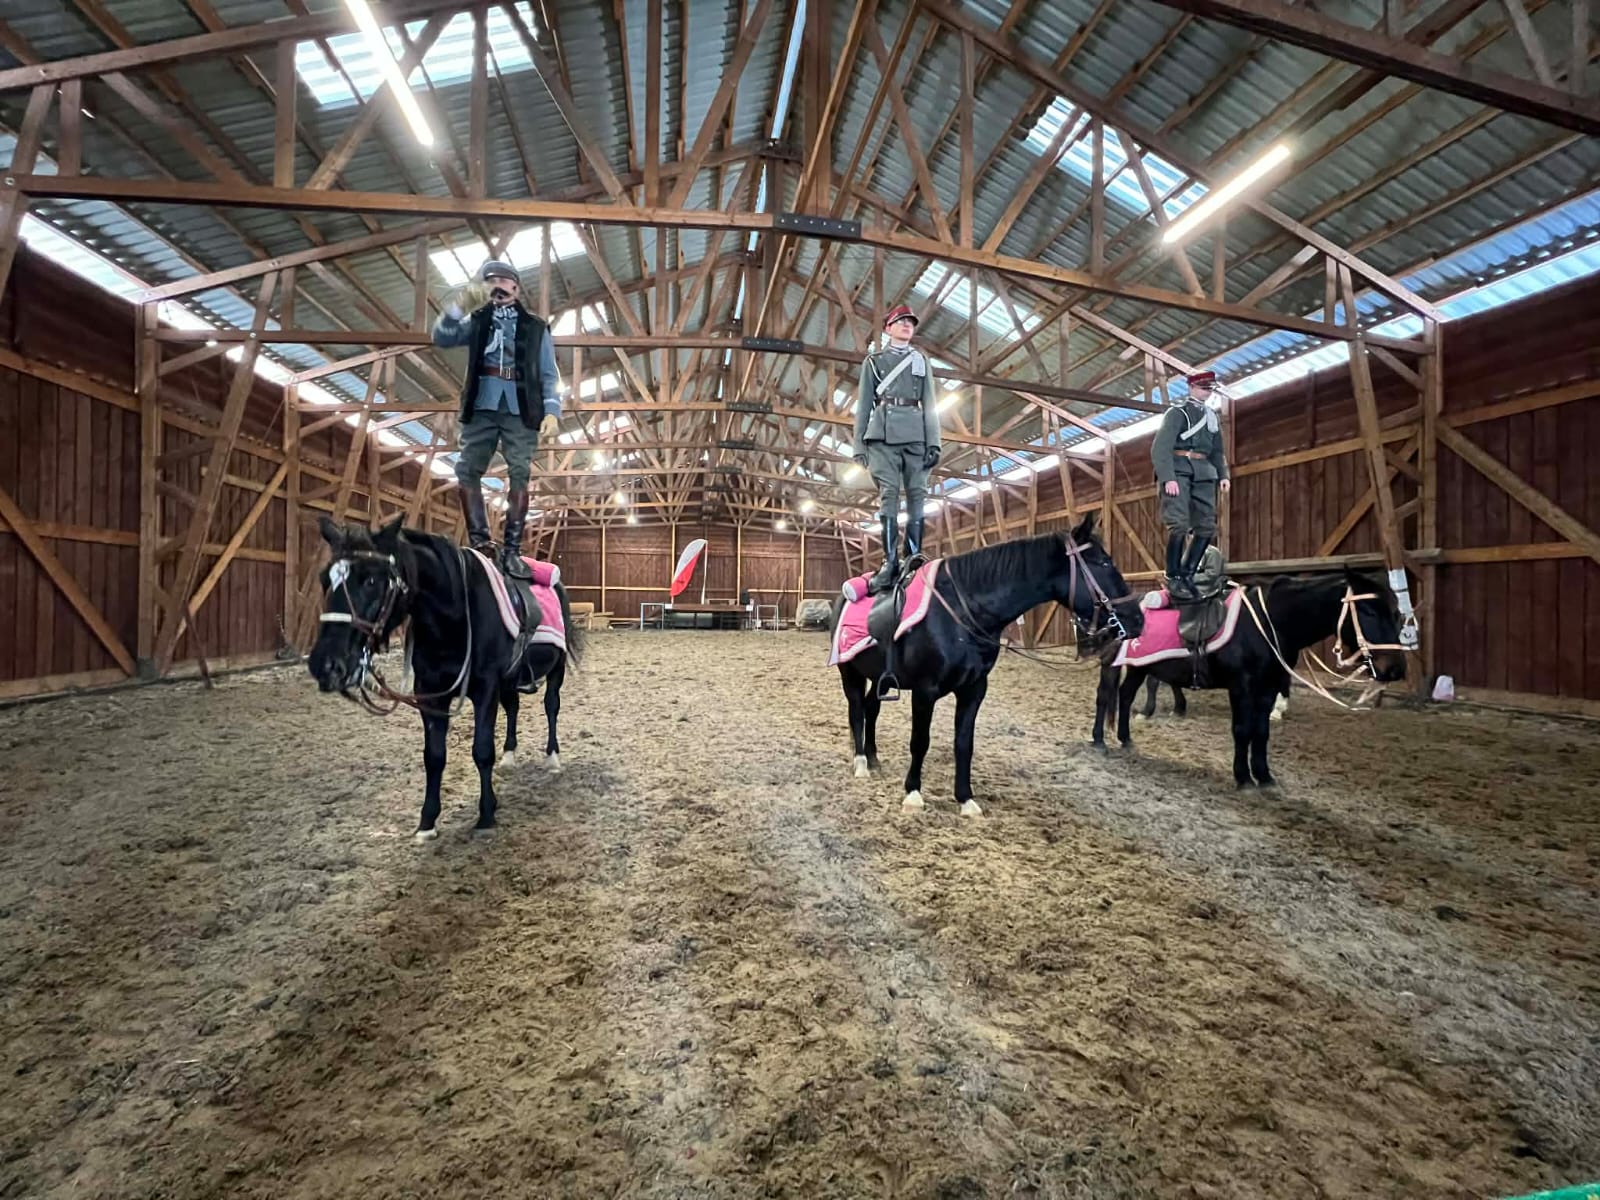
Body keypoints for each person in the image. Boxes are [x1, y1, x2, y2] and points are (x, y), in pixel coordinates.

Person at [432, 259, 560, 580]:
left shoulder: (535, 326)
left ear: (515, 287)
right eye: (491, 282)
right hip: (482, 403)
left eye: (503, 282)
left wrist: (552, 412)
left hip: (521, 407)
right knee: (467, 469)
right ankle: (481, 544)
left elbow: (548, 373)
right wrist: (459, 306)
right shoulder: (477, 321)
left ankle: (513, 551)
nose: (497, 287)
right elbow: (443, 337)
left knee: (520, 472)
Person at [851, 304, 942, 594]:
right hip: (882, 435)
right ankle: (889, 562)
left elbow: (930, 403)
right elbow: (864, 405)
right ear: (888, 328)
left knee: (918, 495)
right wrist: (858, 444)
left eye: (910, 323)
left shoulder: (921, 360)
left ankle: (912, 557)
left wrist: (934, 442)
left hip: (916, 435)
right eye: (900, 321)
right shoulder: (874, 362)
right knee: (889, 495)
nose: (906, 326)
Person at [1152, 369, 1230, 599]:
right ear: (1192, 387)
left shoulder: (1212, 417)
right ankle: (1173, 575)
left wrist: (1223, 475)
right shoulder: (1177, 413)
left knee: (1207, 526)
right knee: (1178, 524)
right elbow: (1160, 448)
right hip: (1179, 470)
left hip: (1204, 472)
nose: (1207, 392)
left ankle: (1188, 573)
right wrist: (1168, 477)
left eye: (1210, 389)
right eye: (1204, 388)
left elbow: (1217, 450)